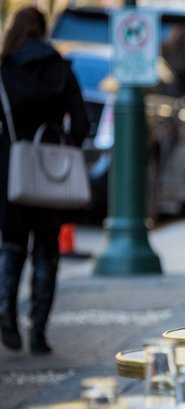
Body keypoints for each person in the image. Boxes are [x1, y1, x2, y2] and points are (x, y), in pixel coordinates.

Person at [0, 7, 89, 354]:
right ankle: (38, 333)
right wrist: (64, 146)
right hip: (53, 171)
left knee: (12, 245)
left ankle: (6, 310)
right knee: (47, 252)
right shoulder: (60, 68)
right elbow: (81, 123)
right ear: (43, 30)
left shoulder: (5, 69)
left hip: (13, 169)